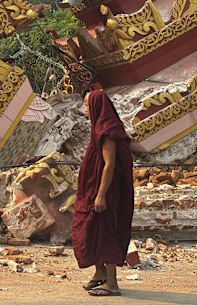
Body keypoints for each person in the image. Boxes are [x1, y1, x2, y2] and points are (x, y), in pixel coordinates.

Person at [71, 90, 134, 297]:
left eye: (88, 106)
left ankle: (113, 283)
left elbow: (110, 165)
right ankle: (100, 274)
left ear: (98, 106)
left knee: (105, 231)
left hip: (103, 190)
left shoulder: (108, 130)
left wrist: (100, 195)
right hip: (91, 189)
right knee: (90, 229)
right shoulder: (98, 126)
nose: (85, 110)